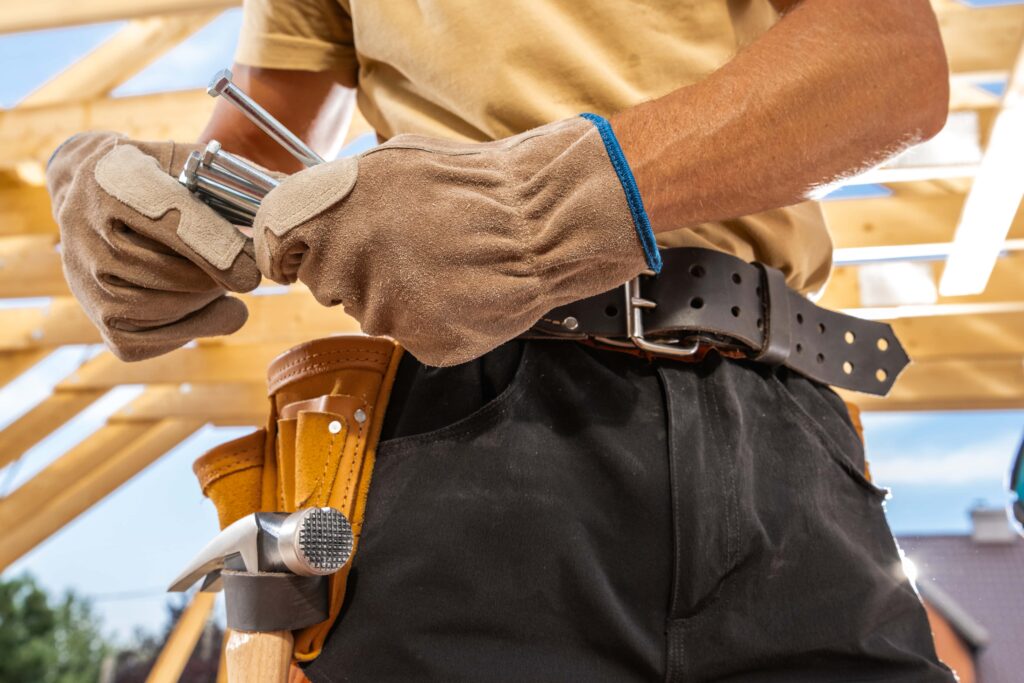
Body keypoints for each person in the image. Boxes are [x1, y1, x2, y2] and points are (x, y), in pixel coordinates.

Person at [46, 0, 956, 680]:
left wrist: (547, 206)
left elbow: (888, 60)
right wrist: (149, 211)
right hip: (472, 433)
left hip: (780, 441)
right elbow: (258, 155)